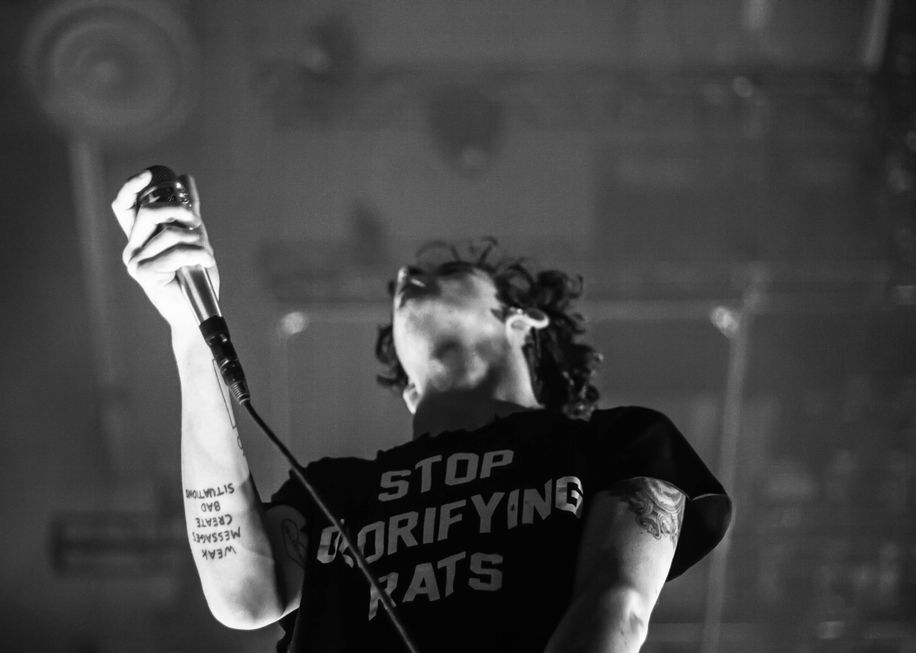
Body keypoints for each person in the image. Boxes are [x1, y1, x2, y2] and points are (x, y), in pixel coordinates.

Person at [112, 170, 732, 653]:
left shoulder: (620, 442)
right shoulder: (335, 490)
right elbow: (242, 596)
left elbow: (616, 607)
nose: (407, 272)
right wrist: (188, 330)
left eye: (450, 271)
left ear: (524, 319)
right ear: (408, 387)